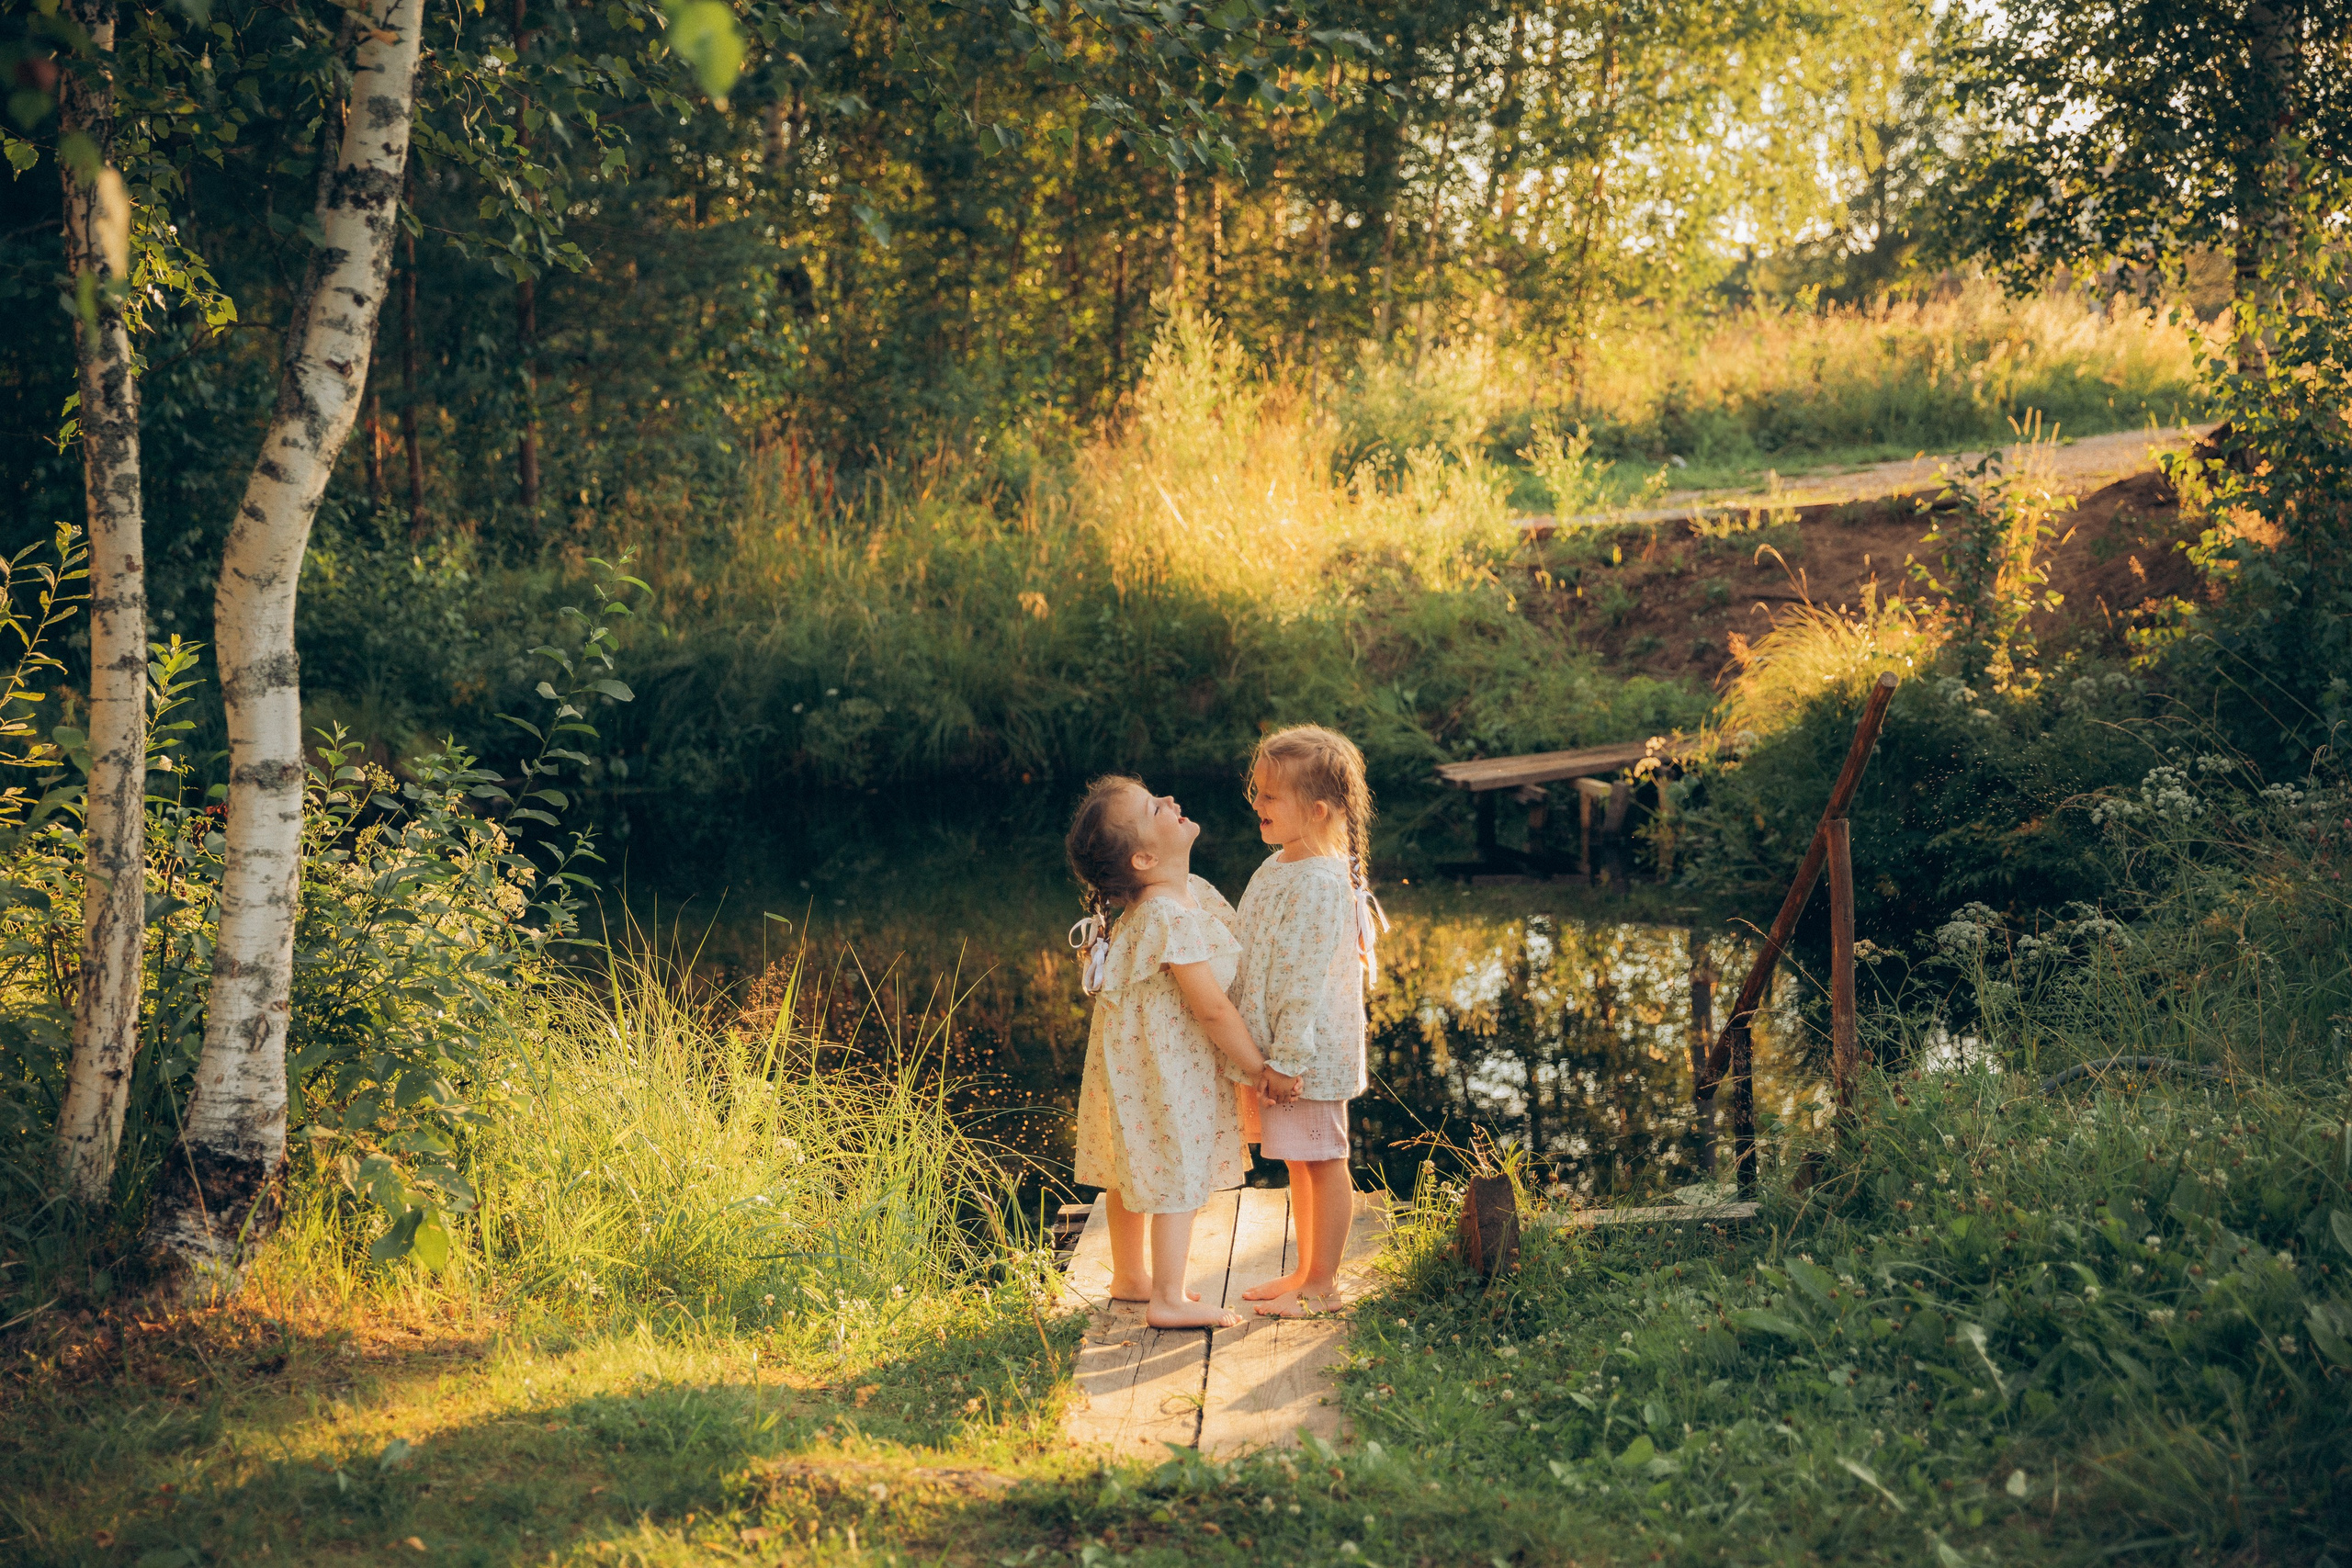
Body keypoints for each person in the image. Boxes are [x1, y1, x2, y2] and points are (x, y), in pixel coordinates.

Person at [1066, 775, 1273, 1329]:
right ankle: (1168, 1298)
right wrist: (1257, 1067)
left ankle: (1131, 1276)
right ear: (1143, 858)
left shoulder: (1181, 895)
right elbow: (1212, 1009)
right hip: (1166, 1068)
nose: (1171, 801)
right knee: (1175, 1169)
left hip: (1138, 1064)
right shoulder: (1166, 915)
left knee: (1130, 1163)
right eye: (1155, 808)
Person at [1231, 724, 1384, 1316]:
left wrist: (1287, 1060)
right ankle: (1304, 1271)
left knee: (1324, 1160)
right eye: (1257, 790)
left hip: (1306, 1058)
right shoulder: (1277, 867)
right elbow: (1253, 951)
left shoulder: (1320, 883)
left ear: (1317, 810)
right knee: (1299, 1159)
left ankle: (1324, 1286)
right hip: (1280, 1053)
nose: (1257, 803)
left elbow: (1304, 985)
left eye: (1271, 795)